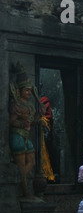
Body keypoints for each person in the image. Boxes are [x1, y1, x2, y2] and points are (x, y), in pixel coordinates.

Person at [9, 68, 48, 199]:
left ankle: (21, 177)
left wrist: (40, 116)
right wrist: (22, 124)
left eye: (30, 90)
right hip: (18, 136)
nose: (29, 93)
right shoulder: (16, 104)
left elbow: (32, 121)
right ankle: (26, 191)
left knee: (32, 162)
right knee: (21, 164)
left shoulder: (30, 105)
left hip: (26, 137)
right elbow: (12, 121)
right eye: (26, 90)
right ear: (19, 91)